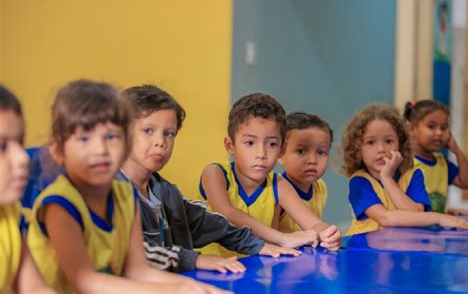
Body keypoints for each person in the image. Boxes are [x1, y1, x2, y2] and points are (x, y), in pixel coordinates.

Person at [27, 80, 225, 294]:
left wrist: (191, 286)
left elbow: (138, 271)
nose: (101, 149)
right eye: (84, 139)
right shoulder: (59, 205)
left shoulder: (126, 195)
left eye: (111, 137)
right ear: (58, 151)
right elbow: (85, 282)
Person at [119, 85, 300, 273]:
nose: (161, 142)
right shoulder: (109, 194)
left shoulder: (165, 192)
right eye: (148, 130)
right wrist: (196, 260)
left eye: (169, 133)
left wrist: (257, 245)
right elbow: (130, 252)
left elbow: (207, 222)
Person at [199, 93, 341, 257]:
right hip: (210, 270)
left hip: (254, 270)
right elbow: (226, 212)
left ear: (282, 149)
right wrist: (282, 238)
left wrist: (328, 234)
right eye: (250, 143)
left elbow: (314, 223)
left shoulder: (279, 185)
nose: (261, 154)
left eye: (272, 144)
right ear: (231, 145)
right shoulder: (215, 173)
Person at [339, 104, 468, 235]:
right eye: (371, 142)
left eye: (389, 141)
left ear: (401, 145)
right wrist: (439, 217)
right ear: (358, 149)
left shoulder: (413, 174)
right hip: (365, 253)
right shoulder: (359, 182)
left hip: (402, 250)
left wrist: (388, 180)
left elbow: (416, 214)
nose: (381, 149)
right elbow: (385, 218)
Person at [0, 85, 54, 293]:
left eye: (20, 142)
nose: (23, 157)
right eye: (2, 146)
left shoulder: (10, 213)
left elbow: (34, 288)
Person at [404, 100, 468, 215]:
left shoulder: (442, 163)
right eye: (431, 126)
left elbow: (466, 183)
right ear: (411, 129)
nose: (439, 133)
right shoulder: (404, 162)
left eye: (444, 127)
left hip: (434, 230)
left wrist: (457, 151)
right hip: (411, 230)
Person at [278, 112, 332, 233]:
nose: (312, 160)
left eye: (321, 152)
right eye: (301, 151)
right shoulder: (274, 193)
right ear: (280, 155)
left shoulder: (320, 187)